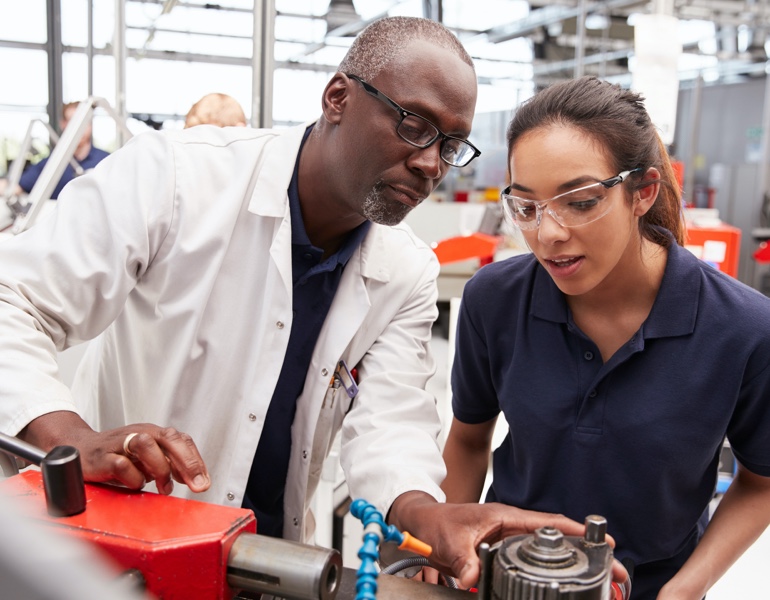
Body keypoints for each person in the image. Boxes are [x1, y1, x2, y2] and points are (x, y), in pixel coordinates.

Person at [0, 16, 584, 589]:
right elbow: (11, 297)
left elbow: (391, 426)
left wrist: (428, 515)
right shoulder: (176, 179)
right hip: (124, 547)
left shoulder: (405, 272)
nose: (431, 163)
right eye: (414, 125)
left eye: (451, 144)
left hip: (270, 560)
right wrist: (70, 437)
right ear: (337, 97)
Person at [439, 76, 770, 599]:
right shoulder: (495, 301)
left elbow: (760, 481)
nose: (548, 234)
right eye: (527, 207)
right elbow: (468, 438)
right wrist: (450, 546)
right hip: (506, 581)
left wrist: (686, 588)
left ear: (644, 193)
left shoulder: (744, 329)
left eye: (580, 202)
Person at [10, 101, 109, 200]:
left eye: (84, 122)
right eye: (73, 122)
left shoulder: (106, 161)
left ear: (90, 125)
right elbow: (15, 188)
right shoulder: (50, 164)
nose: (80, 128)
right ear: (63, 124)